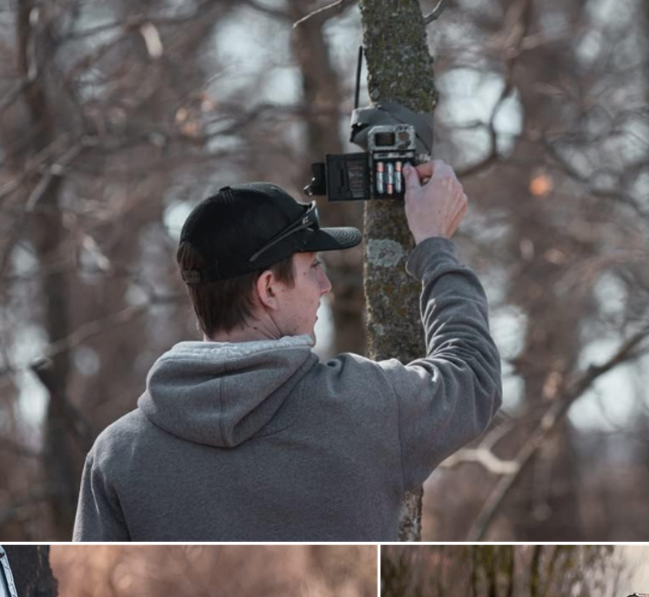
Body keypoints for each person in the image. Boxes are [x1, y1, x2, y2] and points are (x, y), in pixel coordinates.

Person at [72, 159, 502, 541]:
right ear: (269, 288)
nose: (325, 285)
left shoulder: (116, 457)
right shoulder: (363, 405)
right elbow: (473, 378)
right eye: (313, 266)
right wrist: (434, 244)